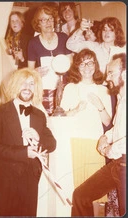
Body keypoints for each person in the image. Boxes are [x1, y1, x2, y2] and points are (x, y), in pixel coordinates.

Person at [0, 68, 56, 216]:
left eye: (31, 84)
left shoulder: (39, 115)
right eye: (22, 83)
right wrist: (24, 153)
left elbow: (52, 143)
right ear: (14, 85)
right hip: (4, 180)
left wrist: (38, 138)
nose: (27, 87)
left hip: (30, 180)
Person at [71, 53, 126, 216]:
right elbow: (117, 128)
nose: (107, 77)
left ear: (124, 74)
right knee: (81, 196)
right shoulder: (121, 99)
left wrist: (110, 150)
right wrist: (105, 137)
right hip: (118, 164)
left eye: (111, 73)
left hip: (124, 162)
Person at [60, 49, 112, 191]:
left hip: (95, 142)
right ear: (77, 67)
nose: (86, 67)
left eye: (90, 63)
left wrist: (100, 106)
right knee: (75, 188)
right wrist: (76, 110)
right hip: (74, 141)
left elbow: (108, 122)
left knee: (95, 191)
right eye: (82, 64)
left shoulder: (103, 90)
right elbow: (61, 117)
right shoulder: (70, 88)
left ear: (95, 65)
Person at [28, 4, 72, 116]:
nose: (48, 22)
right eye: (43, 20)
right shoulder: (33, 43)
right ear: (38, 23)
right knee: (47, 121)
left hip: (64, 87)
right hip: (44, 89)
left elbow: (71, 64)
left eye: (50, 18)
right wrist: (35, 72)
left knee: (65, 119)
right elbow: (29, 71)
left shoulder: (63, 38)